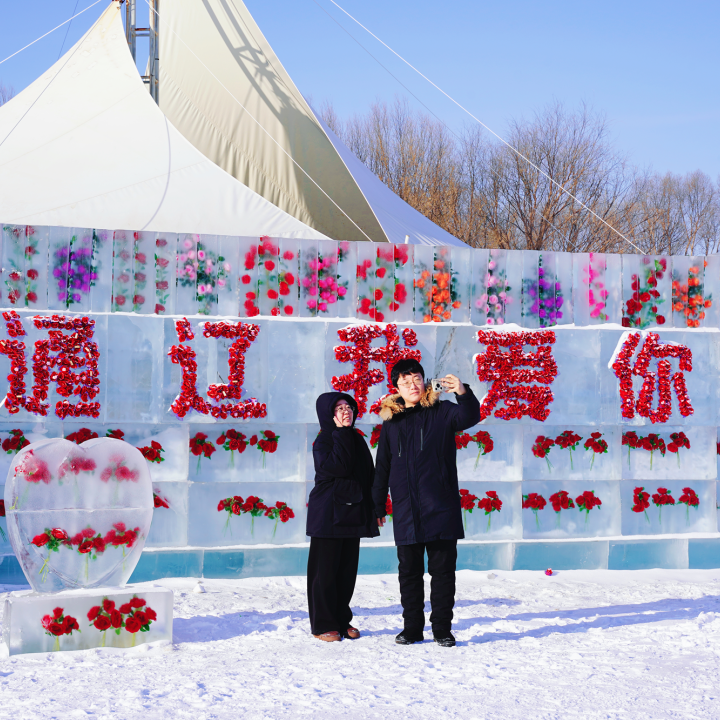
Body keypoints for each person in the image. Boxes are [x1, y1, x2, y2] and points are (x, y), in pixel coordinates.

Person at [372, 358, 480, 647]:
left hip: (441, 506)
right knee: (408, 572)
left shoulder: (442, 412)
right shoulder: (391, 422)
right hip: (406, 508)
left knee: (442, 572)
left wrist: (463, 392)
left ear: (424, 381)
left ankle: (442, 628)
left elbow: (470, 417)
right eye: (405, 382)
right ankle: (412, 628)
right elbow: (382, 466)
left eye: (416, 379)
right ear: (396, 388)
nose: (412, 385)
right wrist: (378, 504)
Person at [306, 391, 379, 642]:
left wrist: (375, 508)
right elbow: (339, 467)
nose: (346, 411)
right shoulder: (324, 440)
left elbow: (368, 475)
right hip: (328, 514)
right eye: (339, 408)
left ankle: (341, 620)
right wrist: (341, 433)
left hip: (352, 511)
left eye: (348, 407)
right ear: (327, 414)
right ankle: (323, 624)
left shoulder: (356, 438)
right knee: (324, 573)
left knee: (346, 573)